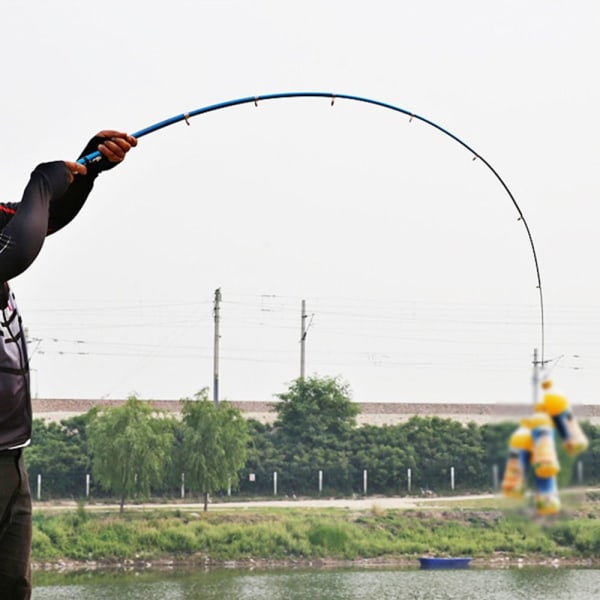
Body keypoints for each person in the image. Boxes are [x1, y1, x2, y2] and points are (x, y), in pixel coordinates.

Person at [0, 130, 137, 598]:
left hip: (10, 458)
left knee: (13, 584)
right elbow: (15, 249)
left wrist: (87, 168)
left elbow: (39, 222)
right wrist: (41, 181)